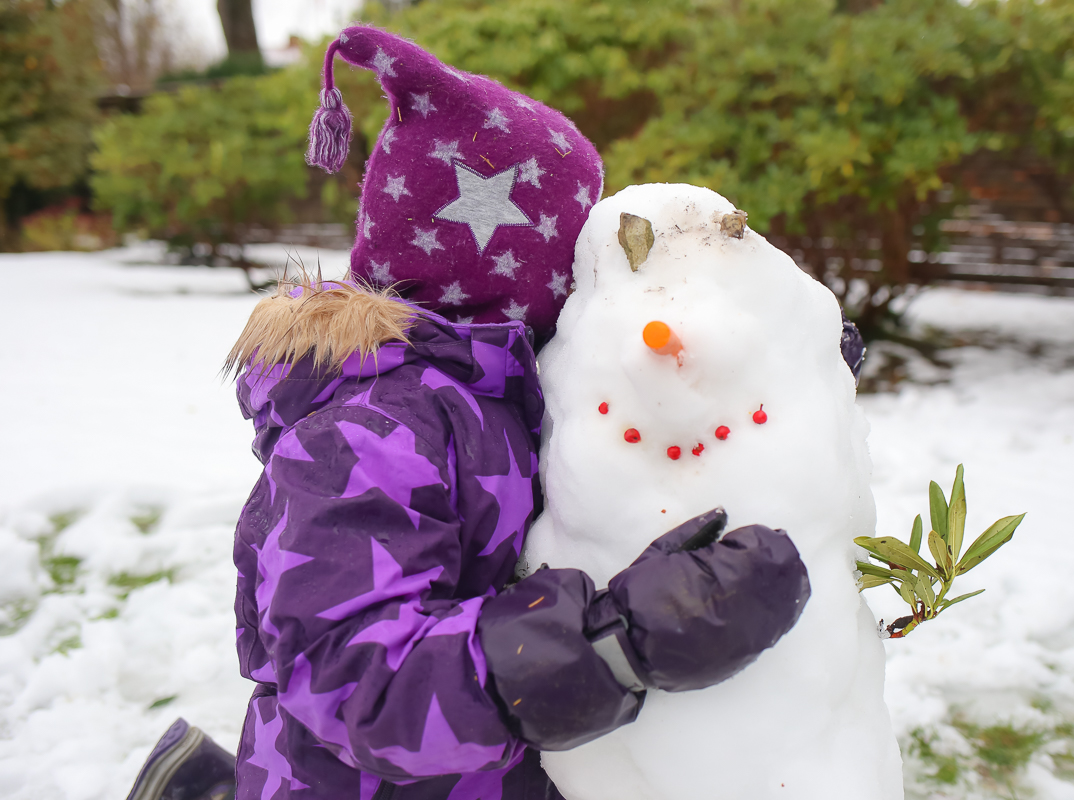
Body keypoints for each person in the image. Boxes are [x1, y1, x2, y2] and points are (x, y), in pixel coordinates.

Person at [125, 25, 863, 800]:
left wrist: (783, 365)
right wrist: (618, 642)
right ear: (499, 271)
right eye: (569, 247)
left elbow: (621, 412)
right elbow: (364, 687)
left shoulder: (489, 383)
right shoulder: (364, 437)